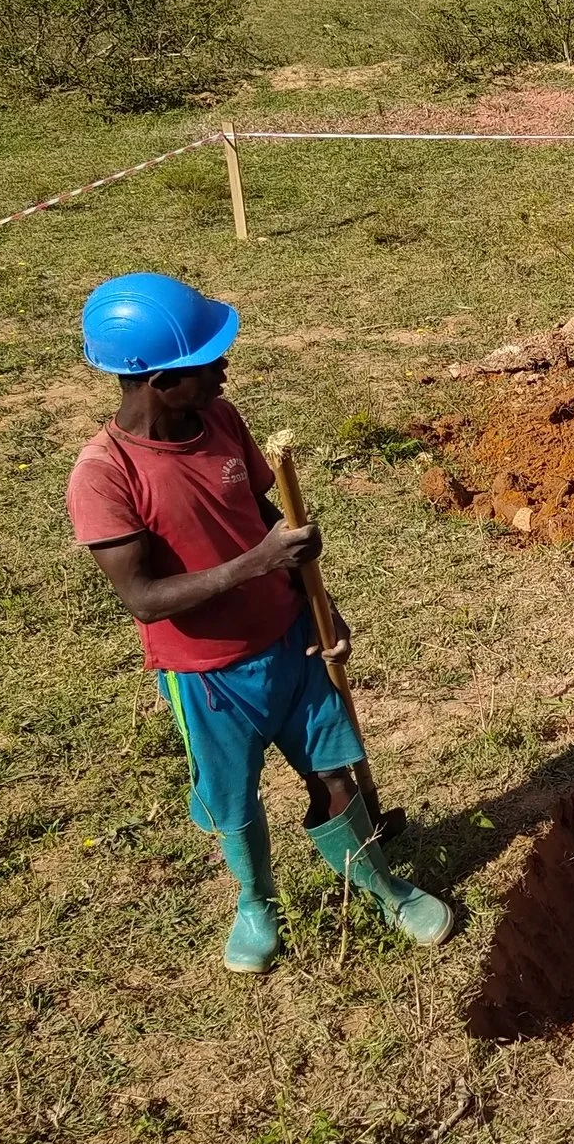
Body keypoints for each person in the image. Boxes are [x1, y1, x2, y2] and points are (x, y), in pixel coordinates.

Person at [64, 272, 453, 974]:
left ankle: (384, 889)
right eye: (206, 361)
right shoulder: (104, 473)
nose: (223, 367)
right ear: (155, 379)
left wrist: (315, 591)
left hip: (288, 642)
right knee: (234, 804)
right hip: (206, 678)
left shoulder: (223, 421)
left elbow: (266, 521)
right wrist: (255, 562)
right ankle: (256, 903)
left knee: (334, 774)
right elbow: (144, 599)